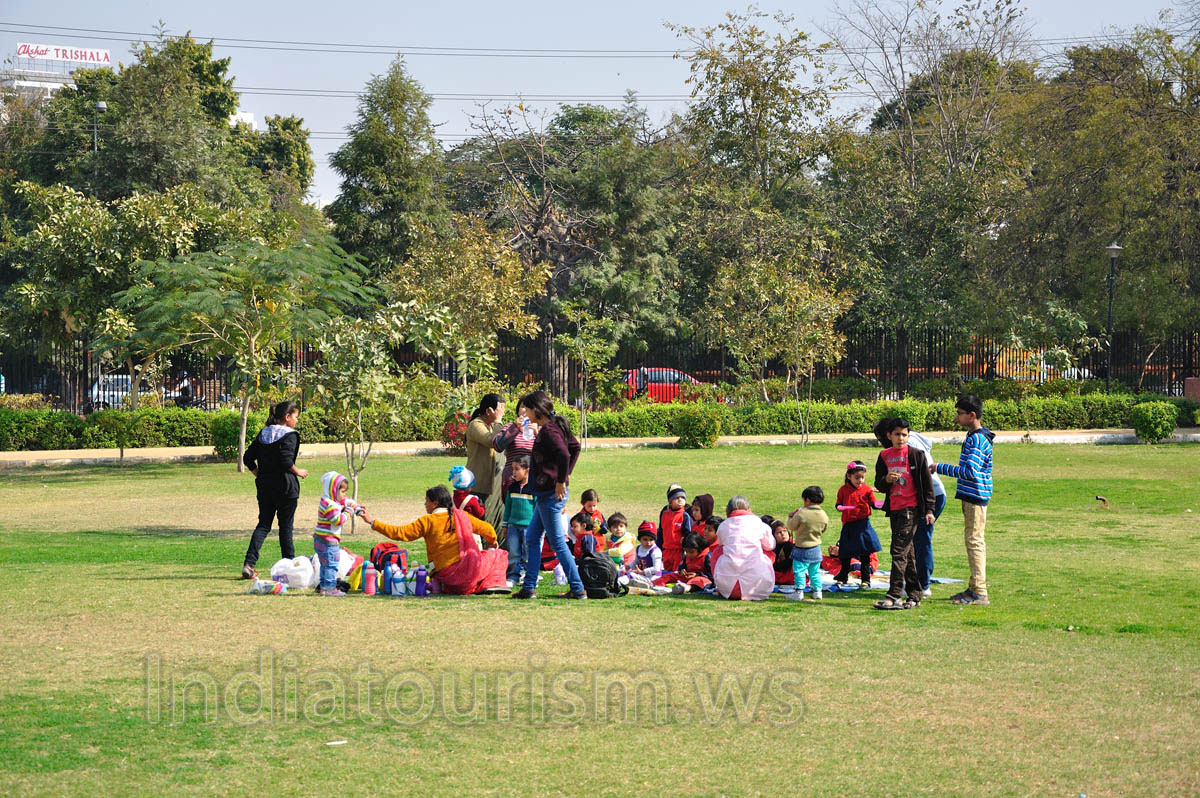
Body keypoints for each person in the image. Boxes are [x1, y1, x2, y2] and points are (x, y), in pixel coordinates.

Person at [360, 485, 507, 595]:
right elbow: (488, 529)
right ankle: (491, 584)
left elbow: (400, 533)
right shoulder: (461, 516)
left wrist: (372, 522)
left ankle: (446, 586)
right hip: (468, 573)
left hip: (444, 574)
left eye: (427, 501)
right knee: (499, 555)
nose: (425, 504)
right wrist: (492, 542)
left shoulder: (427, 521)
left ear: (435, 503)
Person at [513, 390, 586, 600]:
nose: (525, 412)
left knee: (557, 543)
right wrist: (565, 476)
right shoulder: (551, 427)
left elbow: (565, 453)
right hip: (546, 494)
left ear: (537, 410)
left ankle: (578, 588)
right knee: (532, 537)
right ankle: (529, 588)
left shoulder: (549, 430)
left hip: (550, 495)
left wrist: (561, 480)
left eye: (527, 408)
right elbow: (575, 447)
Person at [932, 395, 995, 606]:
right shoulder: (973, 436)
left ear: (972, 415)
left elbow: (970, 472)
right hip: (971, 496)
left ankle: (980, 592)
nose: (957, 417)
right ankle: (974, 587)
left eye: (960, 414)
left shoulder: (978, 439)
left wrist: (939, 467)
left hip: (976, 496)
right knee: (972, 541)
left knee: (975, 542)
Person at [241, 401, 309, 579]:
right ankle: (290, 566)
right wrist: (298, 471)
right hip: (285, 487)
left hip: (265, 487)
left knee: (263, 525)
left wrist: (259, 474)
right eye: (295, 417)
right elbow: (285, 461)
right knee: (285, 528)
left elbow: (247, 457)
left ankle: (249, 564)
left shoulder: (264, 433)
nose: (296, 420)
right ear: (287, 417)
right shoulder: (290, 435)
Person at [873, 418, 936, 610]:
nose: (901, 438)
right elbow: (878, 484)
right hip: (895, 508)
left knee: (898, 550)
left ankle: (894, 595)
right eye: (897, 434)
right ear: (889, 436)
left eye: (904, 434)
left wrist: (929, 510)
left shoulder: (916, 455)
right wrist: (887, 480)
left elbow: (927, 484)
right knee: (907, 552)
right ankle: (915, 595)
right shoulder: (884, 455)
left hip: (911, 508)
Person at [711, 496, 775, 601]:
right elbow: (771, 545)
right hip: (757, 586)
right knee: (767, 552)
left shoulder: (723, 525)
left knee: (718, 551)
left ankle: (719, 584)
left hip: (727, 586)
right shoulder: (759, 524)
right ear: (748, 508)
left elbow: (721, 544)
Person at [907, 430, 947, 598]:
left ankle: (923, 584)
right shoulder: (914, 437)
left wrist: (928, 508)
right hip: (935, 494)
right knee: (919, 539)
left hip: (930, 496)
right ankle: (919, 582)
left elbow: (922, 481)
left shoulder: (911, 448)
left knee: (921, 539)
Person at [832, 461, 882, 590]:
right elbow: (838, 504)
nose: (860, 480)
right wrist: (840, 507)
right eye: (857, 477)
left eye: (862, 477)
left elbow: (874, 503)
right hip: (849, 525)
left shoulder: (866, 489)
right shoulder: (843, 490)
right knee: (845, 554)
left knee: (865, 554)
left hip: (863, 524)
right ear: (849, 476)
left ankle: (866, 579)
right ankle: (843, 577)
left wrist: (880, 503)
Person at [313, 471, 363, 597]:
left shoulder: (331, 500)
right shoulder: (329, 504)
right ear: (333, 490)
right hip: (328, 541)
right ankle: (330, 588)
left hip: (322, 540)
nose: (344, 495)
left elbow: (348, 502)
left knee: (325, 565)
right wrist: (349, 512)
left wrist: (356, 507)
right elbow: (338, 520)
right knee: (331, 565)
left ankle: (324, 587)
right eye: (342, 491)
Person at [466, 393, 507, 531]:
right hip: (478, 483)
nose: (502, 412)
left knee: (496, 520)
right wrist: (498, 421)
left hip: (494, 483)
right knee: (481, 521)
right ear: (489, 410)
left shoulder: (491, 425)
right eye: (500, 408)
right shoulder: (475, 425)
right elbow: (492, 441)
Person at [787, 486, 829, 601]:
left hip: (801, 547)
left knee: (799, 571)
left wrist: (790, 517)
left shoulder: (801, 513)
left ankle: (799, 591)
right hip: (816, 547)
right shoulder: (823, 515)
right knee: (814, 572)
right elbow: (824, 528)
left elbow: (792, 526)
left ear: (807, 500)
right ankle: (817, 591)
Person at [492, 397, 537, 498]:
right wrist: (515, 427)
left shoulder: (539, 428)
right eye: (523, 406)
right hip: (512, 478)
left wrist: (537, 434)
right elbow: (497, 445)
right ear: (518, 410)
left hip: (533, 479)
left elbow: (548, 452)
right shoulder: (510, 427)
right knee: (511, 509)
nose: (526, 410)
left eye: (530, 407)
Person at [501, 456, 535, 588]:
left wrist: (540, 528)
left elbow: (538, 509)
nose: (513, 472)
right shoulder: (512, 488)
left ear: (527, 470)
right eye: (512, 469)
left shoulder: (534, 488)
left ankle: (530, 575)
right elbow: (508, 508)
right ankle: (513, 576)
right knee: (514, 552)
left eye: (517, 469)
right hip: (513, 526)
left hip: (529, 527)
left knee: (528, 553)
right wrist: (505, 525)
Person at [658, 483, 692, 573]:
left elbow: (688, 534)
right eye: (677, 498)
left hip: (678, 551)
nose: (680, 500)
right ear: (670, 501)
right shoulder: (664, 514)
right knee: (665, 572)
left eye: (683, 498)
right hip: (666, 551)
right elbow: (661, 532)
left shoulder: (685, 516)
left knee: (675, 574)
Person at [770, 521, 794, 586]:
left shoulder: (789, 545)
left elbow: (789, 562)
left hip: (788, 573)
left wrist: (774, 567)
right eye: (779, 532)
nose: (783, 534)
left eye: (785, 531)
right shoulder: (773, 547)